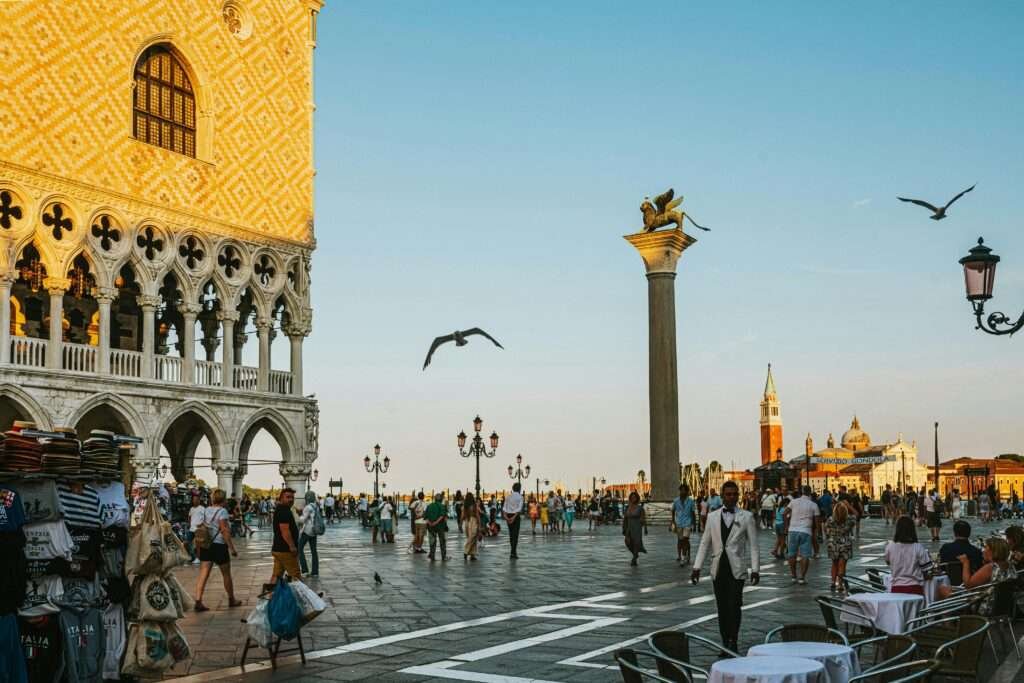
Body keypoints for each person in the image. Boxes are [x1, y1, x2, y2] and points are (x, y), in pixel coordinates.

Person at [691, 481, 760, 653]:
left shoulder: (746, 517)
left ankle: (733, 639)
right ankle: (724, 640)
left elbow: (753, 545)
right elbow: (705, 543)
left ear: (738, 496)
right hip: (718, 568)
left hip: (736, 568)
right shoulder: (713, 517)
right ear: (722, 496)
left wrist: (755, 569)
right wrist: (696, 567)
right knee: (722, 607)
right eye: (728, 494)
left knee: (734, 605)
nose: (732, 497)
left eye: (734, 494)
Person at [936, 537, 1016, 613]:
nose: (983, 551)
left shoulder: (990, 567)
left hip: (984, 606)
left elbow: (968, 585)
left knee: (942, 590)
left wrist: (965, 563)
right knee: (951, 589)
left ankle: (948, 623)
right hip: (1003, 606)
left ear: (993, 551)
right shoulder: (1009, 565)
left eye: (986, 548)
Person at [194, 488, 241, 611]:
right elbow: (224, 530)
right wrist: (232, 548)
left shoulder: (206, 510)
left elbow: (202, 526)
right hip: (219, 545)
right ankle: (232, 599)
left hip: (207, 545)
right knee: (226, 574)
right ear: (223, 499)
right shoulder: (223, 511)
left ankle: (198, 600)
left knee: (203, 573)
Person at [884, 516, 932, 595]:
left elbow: (888, 562)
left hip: (896, 588)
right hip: (915, 588)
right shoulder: (918, 547)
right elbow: (927, 569)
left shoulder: (890, 546)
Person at [785, 486, 818, 585]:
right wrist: (816, 532)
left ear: (801, 492)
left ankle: (793, 576)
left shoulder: (793, 502)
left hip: (793, 530)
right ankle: (802, 577)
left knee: (791, 554)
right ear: (810, 492)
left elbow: (785, 512)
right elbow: (817, 521)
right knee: (805, 555)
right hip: (806, 531)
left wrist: (786, 526)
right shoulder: (813, 505)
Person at [268, 488, 302, 585]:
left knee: (276, 575)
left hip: (278, 549)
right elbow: (285, 531)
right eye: (287, 497)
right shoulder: (284, 511)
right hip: (286, 550)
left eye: (292, 497)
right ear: (281, 498)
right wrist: (292, 546)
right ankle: (302, 598)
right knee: (296, 576)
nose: (291, 499)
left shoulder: (281, 509)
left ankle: (269, 596)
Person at [938, 520, 983, 585]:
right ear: (969, 534)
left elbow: (942, 567)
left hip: (950, 583)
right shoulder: (976, 551)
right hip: (970, 584)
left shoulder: (946, 548)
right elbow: (979, 569)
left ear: (954, 533)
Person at [825, 501, 855, 593]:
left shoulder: (830, 519)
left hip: (833, 543)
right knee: (842, 565)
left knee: (834, 564)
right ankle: (840, 584)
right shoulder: (850, 520)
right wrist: (849, 506)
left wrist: (829, 534)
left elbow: (826, 529)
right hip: (845, 543)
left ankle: (833, 582)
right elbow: (856, 514)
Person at [298, 490, 321, 576]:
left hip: (307, 531)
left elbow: (303, 520)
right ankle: (315, 572)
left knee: (299, 549)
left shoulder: (308, 507)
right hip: (314, 531)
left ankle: (305, 570)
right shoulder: (316, 506)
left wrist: (297, 516)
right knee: (314, 551)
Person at [672, 484, 696, 567]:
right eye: (681, 490)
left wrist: (694, 524)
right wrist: (673, 522)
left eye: (684, 490)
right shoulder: (676, 501)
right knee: (680, 540)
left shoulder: (691, 501)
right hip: (678, 523)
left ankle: (683, 558)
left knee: (685, 539)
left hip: (687, 523)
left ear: (687, 491)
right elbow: (673, 511)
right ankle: (681, 555)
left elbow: (693, 513)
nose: (683, 492)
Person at [622, 491, 647, 566]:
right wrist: (624, 527)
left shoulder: (640, 508)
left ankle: (634, 559)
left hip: (637, 527)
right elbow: (625, 518)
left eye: (635, 497)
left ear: (637, 498)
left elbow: (643, 518)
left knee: (636, 543)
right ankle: (635, 554)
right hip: (629, 526)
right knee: (627, 542)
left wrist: (645, 528)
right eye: (632, 497)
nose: (633, 498)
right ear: (630, 498)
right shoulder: (627, 507)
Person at [423, 493, 448, 561]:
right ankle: (443, 557)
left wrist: (430, 523)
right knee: (442, 541)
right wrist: (436, 522)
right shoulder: (442, 506)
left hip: (430, 526)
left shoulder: (429, 506)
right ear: (441, 499)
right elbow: (443, 516)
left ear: (434, 499)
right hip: (440, 526)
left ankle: (432, 556)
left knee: (432, 541)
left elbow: (425, 517)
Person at [503, 482, 524, 560]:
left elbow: (504, 508)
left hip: (508, 515)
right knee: (515, 535)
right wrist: (514, 518)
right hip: (516, 516)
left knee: (511, 535)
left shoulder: (508, 497)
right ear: (519, 489)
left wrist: (507, 517)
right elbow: (519, 509)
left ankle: (513, 552)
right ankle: (513, 553)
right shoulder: (520, 497)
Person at [187, 494, 205, 565]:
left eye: (196, 499)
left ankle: (198, 558)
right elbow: (189, 517)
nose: (195, 501)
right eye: (193, 500)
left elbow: (206, 518)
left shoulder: (202, 508)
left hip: (198, 529)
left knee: (198, 545)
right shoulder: (191, 509)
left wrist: (201, 524)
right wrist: (189, 524)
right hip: (191, 529)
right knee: (187, 543)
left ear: (199, 500)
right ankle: (192, 557)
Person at [462, 492, 480, 561]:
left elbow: (462, 516)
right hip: (473, 521)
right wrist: (479, 524)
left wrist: (460, 524)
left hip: (467, 521)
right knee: (473, 537)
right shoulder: (474, 505)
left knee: (472, 537)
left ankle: (473, 554)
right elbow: (477, 515)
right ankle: (466, 551)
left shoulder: (465, 506)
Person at [773, 495, 789, 559]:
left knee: (779, 539)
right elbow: (784, 519)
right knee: (783, 540)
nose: (788, 505)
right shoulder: (784, 509)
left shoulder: (778, 508)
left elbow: (775, 516)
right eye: (788, 503)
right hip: (782, 524)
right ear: (785, 503)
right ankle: (781, 553)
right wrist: (786, 527)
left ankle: (775, 550)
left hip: (776, 524)